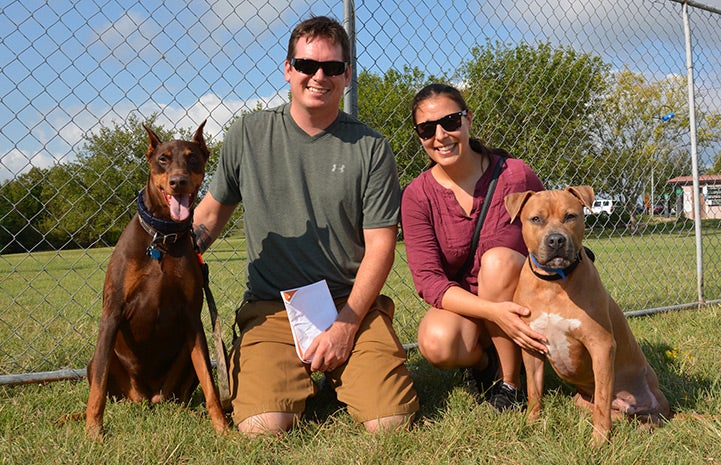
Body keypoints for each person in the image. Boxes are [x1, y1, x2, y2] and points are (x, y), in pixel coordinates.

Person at [192, 16, 418, 436]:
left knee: (391, 423)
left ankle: (344, 372)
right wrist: (171, 245)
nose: (319, 76)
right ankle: (294, 378)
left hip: (350, 305)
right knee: (263, 427)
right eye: (307, 65)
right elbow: (209, 215)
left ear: (347, 75)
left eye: (332, 67)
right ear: (287, 69)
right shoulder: (248, 134)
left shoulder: (371, 148)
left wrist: (347, 326)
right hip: (272, 307)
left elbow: (381, 248)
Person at [400, 83, 548, 411]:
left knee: (496, 262)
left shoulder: (516, 175)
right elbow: (429, 281)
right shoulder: (416, 196)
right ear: (420, 136)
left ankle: (511, 383)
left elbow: (550, 225)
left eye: (450, 122)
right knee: (436, 342)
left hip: (521, 301)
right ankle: (485, 366)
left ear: (468, 120)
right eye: (426, 129)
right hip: (471, 309)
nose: (440, 136)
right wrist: (493, 312)